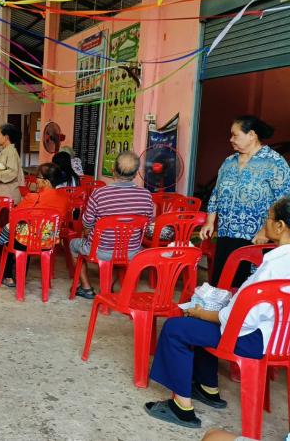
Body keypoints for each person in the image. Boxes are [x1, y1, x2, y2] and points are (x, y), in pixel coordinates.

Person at [145, 197, 290, 429]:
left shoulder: (272, 266)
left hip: (252, 340)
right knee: (204, 325)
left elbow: (238, 321)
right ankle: (207, 387)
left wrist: (203, 313)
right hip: (280, 341)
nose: (265, 222)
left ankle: (181, 408)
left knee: (176, 328)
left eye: (269, 218)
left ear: (280, 226)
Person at [200, 116, 290, 288]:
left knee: (245, 286)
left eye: (235, 135)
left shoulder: (274, 162)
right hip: (226, 232)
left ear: (252, 135)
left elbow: (284, 200)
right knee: (223, 283)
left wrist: (265, 231)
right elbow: (216, 193)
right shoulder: (229, 162)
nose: (231, 139)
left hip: (255, 237)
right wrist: (210, 221)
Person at [70, 151, 155, 299]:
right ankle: (110, 286)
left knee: (73, 244)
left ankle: (86, 288)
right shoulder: (146, 195)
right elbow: (147, 227)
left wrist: (88, 233)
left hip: (100, 250)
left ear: (113, 170)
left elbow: (87, 223)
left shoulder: (99, 194)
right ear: (136, 173)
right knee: (120, 250)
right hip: (132, 251)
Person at [0, 163, 70, 287]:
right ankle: (20, 275)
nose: (36, 180)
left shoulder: (33, 197)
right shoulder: (65, 199)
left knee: (8, 234)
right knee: (28, 234)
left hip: (27, 241)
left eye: (38, 177)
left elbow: (14, 216)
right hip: (48, 241)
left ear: (46, 182)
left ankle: (8, 275)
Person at [0, 123, 23, 204]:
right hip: (4, 195)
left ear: (6, 137)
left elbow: (12, 172)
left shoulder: (11, 151)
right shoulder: (6, 151)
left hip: (8, 196)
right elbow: (1, 168)